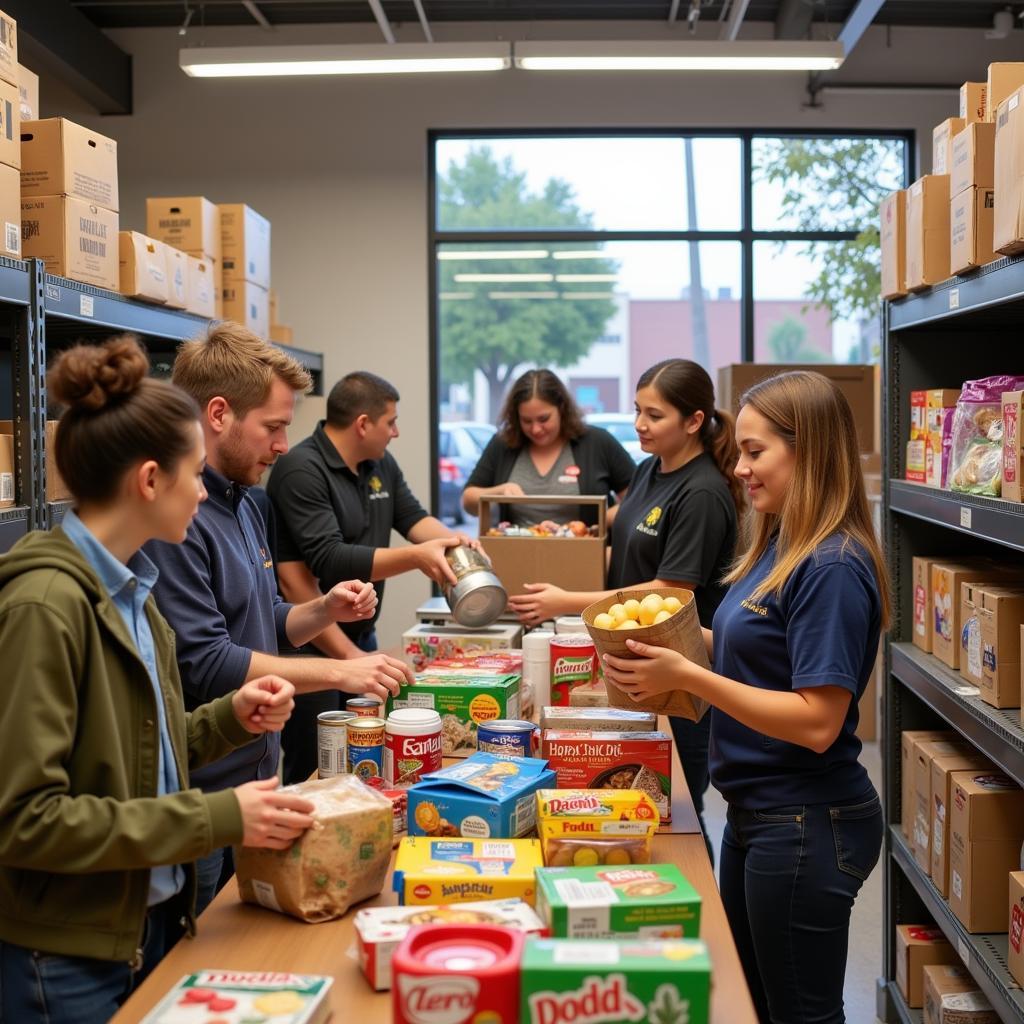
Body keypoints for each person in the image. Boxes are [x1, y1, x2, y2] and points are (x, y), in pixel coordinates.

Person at [0, 336, 316, 1024]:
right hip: (67, 958)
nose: (204, 493)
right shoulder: (45, 606)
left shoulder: (135, 592)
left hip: (142, 925)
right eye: (195, 474)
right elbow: (27, 821)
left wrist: (231, 716)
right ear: (149, 481)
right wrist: (217, 817)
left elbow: (141, 753)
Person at [603, 370, 887, 1024]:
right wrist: (670, 644)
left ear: (808, 452)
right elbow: (758, 652)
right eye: (741, 452)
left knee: (800, 1013)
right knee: (757, 1003)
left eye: (756, 453)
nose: (740, 468)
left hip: (807, 821)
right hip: (761, 813)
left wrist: (689, 676)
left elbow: (818, 721)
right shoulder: (782, 542)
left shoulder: (833, 566)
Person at [145, 327, 412, 912]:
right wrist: (342, 672)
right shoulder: (180, 519)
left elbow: (258, 615)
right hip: (206, 799)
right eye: (273, 426)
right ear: (218, 414)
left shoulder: (246, 501)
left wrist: (322, 611)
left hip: (255, 781)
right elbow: (209, 661)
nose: (285, 444)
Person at [508, 359, 743, 847]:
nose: (639, 424)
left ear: (694, 421)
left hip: (679, 676)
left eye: (654, 415)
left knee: (675, 808)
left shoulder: (702, 493)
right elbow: (627, 549)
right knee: (629, 792)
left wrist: (564, 600)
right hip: (636, 666)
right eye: (638, 411)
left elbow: (667, 592)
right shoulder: (650, 469)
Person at [267, 370, 480, 784]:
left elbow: (413, 518)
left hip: (359, 637)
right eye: (391, 422)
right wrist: (417, 558)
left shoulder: (378, 462)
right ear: (363, 424)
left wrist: (457, 545)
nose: (396, 432)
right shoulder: (301, 470)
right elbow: (327, 561)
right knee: (318, 769)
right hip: (310, 647)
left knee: (364, 763)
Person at [462, 368, 635, 528]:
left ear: (562, 408)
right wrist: (499, 492)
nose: (536, 429)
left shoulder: (598, 442)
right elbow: (468, 501)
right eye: (527, 421)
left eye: (544, 419)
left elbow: (639, 498)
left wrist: (599, 522)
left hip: (584, 556)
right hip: (515, 555)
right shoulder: (503, 444)